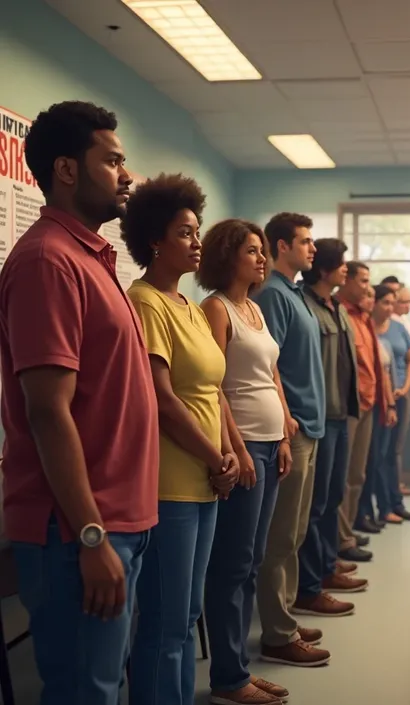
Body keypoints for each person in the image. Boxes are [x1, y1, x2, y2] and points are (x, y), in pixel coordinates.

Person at [0, 101, 159, 705]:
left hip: (119, 519)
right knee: (83, 692)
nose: (127, 174)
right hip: (79, 530)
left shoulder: (90, 258)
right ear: (67, 169)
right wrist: (91, 536)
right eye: (113, 160)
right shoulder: (48, 261)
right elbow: (47, 411)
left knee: (101, 684)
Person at [120, 174, 239, 705]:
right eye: (185, 232)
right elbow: (163, 400)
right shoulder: (146, 301)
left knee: (186, 616)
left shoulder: (190, 306)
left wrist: (229, 452)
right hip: (172, 480)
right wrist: (217, 456)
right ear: (154, 240)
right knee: (166, 622)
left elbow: (211, 389)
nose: (197, 242)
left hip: (208, 477)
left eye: (197, 231)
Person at [198, 218, 293, 705]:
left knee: (252, 560)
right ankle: (229, 680)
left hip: (270, 440)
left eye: (262, 251)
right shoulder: (216, 308)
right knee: (232, 564)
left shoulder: (253, 307)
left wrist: (285, 432)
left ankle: (240, 671)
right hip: (243, 445)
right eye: (252, 250)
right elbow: (211, 385)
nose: (261, 258)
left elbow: (272, 373)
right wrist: (235, 447)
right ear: (228, 254)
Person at [253, 213, 330, 667]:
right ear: (281, 246)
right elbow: (268, 366)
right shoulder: (273, 296)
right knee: (280, 537)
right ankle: (278, 635)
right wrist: (287, 420)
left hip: (311, 427)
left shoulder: (295, 294)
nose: (312, 249)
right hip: (294, 429)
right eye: (304, 241)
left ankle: (287, 615)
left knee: (295, 533)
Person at [293, 239, 367, 624]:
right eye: (340, 265)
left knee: (332, 495)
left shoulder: (335, 307)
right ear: (324, 270)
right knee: (315, 503)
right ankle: (310, 585)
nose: (346, 270)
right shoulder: (303, 303)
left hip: (340, 414)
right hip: (318, 416)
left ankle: (325, 567)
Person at [337, 262, 387, 562]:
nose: (369, 288)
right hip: (349, 405)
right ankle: (341, 540)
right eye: (364, 281)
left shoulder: (362, 316)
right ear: (348, 281)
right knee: (342, 477)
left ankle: (349, 529)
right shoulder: (339, 311)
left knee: (357, 473)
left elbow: (374, 364)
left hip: (368, 402)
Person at [375, 286, 410, 523]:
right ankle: (383, 507)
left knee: (394, 451)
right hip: (380, 400)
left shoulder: (399, 327)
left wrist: (405, 386)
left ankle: (396, 503)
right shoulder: (367, 328)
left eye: (395, 303)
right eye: (387, 302)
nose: (391, 308)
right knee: (379, 454)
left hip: (402, 394)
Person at [357, 285, 399, 527]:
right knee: (367, 463)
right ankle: (364, 513)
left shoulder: (374, 332)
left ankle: (372, 512)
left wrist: (391, 404)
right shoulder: (361, 327)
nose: (370, 301)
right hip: (364, 404)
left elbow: (384, 373)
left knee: (377, 459)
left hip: (380, 404)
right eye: (369, 296)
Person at [392, 286, 410, 497]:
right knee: (392, 445)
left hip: (404, 385)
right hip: (393, 388)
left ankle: (396, 487)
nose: (407, 306)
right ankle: (394, 488)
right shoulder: (393, 324)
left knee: (398, 443)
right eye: (403, 302)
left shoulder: (404, 324)